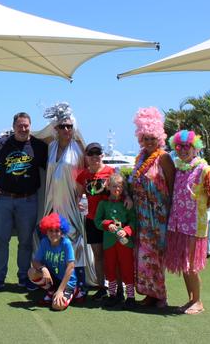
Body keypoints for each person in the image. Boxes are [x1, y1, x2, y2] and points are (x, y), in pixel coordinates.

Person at [0, 112, 48, 292]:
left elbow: (52, 165)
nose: (23, 129)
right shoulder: (1, 145)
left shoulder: (38, 146)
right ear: (13, 127)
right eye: (19, 125)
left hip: (28, 200)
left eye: (26, 125)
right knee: (0, 240)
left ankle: (24, 277)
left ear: (30, 126)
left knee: (26, 241)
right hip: (4, 199)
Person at [34, 102, 90, 298]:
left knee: (75, 239)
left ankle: (80, 285)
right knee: (52, 239)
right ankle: (54, 284)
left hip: (71, 201)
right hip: (52, 201)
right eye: (62, 126)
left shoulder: (79, 148)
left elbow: (84, 172)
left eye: (69, 126)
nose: (66, 129)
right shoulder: (51, 146)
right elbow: (34, 137)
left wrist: (82, 195)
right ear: (55, 129)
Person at [165, 130, 210, 315]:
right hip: (178, 224)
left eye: (187, 146)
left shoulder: (204, 168)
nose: (182, 150)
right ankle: (191, 300)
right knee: (185, 266)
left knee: (191, 266)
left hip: (194, 226)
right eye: (179, 147)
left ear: (195, 148)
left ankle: (198, 301)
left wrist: (201, 208)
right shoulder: (180, 168)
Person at [130, 107, 175, 308]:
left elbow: (172, 187)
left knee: (156, 256)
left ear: (160, 137)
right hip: (141, 216)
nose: (148, 142)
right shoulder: (139, 158)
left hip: (158, 217)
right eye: (145, 138)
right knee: (143, 256)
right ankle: (149, 293)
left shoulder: (164, 158)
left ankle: (161, 296)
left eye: (152, 138)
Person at [75, 142, 115, 301]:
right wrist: (80, 202)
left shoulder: (110, 172)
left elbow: (121, 192)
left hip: (109, 220)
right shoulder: (83, 176)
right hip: (92, 220)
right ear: (86, 157)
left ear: (102, 155)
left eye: (97, 153)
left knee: (112, 254)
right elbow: (79, 196)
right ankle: (102, 287)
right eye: (91, 154)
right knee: (98, 255)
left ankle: (117, 287)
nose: (94, 157)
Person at [94, 173, 137, 309]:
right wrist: (107, 224)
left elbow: (133, 220)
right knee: (110, 268)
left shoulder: (127, 203)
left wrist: (127, 230)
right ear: (109, 187)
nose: (116, 189)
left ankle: (130, 297)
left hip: (125, 241)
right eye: (113, 186)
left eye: (119, 186)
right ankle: (112, 295)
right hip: (109, 241)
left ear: (123, 188)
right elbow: (97, 221)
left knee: (127, 268)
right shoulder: (103, 204)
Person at [28, 212, 78, 311]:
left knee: (57, 306)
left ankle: (75, 291)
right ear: (46, 231)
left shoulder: (66, 243)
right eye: (50, 230)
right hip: (53, 279)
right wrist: (44, 269)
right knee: (32, 272)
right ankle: (51, 292)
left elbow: (71, 267)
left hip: (67, 282)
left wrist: (60, 290)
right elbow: (35, 261)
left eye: (57, 231)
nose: (54, 234)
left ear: (62, 232)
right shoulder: (44, 242)